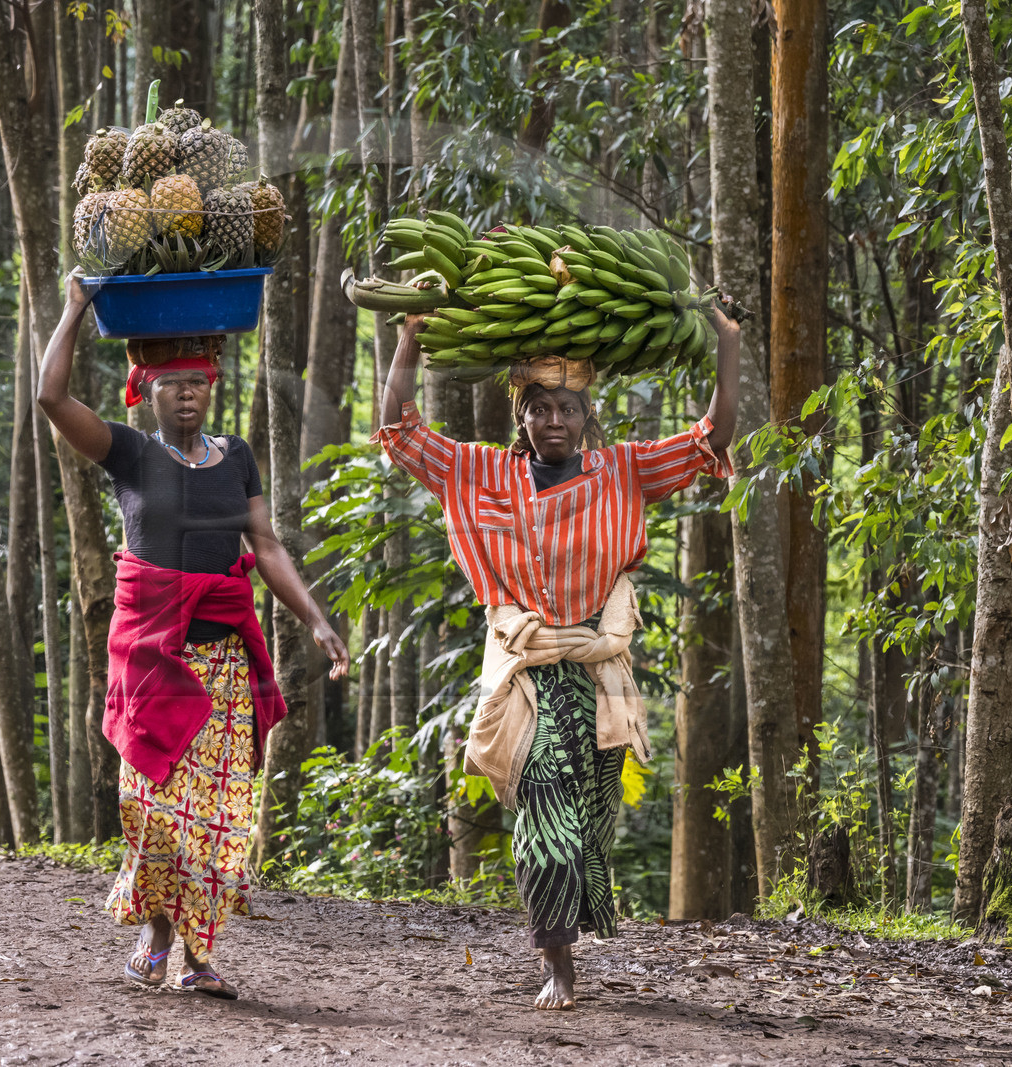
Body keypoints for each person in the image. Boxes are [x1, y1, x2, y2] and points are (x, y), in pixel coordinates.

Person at [375, 302, 741, 1010]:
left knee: (590, 822)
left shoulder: (622, 472)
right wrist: (410, 340)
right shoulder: (477, 472)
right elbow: (399, 431)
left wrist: (726, 344)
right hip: (527, 671)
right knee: (544, 813)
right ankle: (558, 965)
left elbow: (710, 438)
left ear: (585, 417)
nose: (553, 422)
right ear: (521, 416)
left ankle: (569, 935)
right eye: (539, 408)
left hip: (597, 668)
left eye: (566, 409)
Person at [37, 276, 350, 1000]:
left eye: (198, 382)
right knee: (151, 805)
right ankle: (153, 928)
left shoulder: (236, 457)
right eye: (172, 383)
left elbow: (266, 547)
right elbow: (52, 398)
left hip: (223, 664)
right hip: (154, 661)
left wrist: (315, 617)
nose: (187, 394)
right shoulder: (130, 455)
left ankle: (196, 954)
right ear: (145, 390)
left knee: (215, 817)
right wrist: (78, 304)